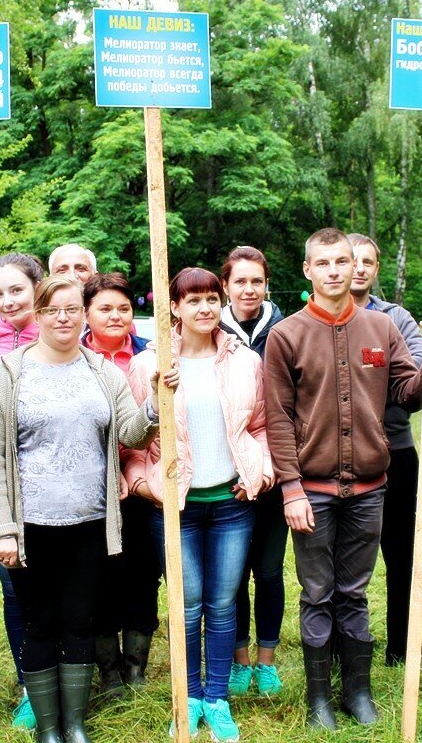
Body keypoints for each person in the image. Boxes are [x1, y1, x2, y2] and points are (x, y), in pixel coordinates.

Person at [263, 228, 422, 731]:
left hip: (370, 489)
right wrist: (291, 489)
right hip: (312, 492)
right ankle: (319, 700)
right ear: (307, 270)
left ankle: (358, 692)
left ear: (355, 267)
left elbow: (409, 394)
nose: (334, 271)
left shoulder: (381, 328)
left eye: (342, 261)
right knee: (317, 593)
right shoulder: (287, 336)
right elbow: (278, 419)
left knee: (354, 592)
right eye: (323, 263)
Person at [0, 274, 161, 743]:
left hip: (90, 524)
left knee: (80, 619)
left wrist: (156, 404)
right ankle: (48, 726)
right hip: (29, 525)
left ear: (83, 315)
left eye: (72, 309)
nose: (63, 318)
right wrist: (0, 528)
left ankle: (74, 723)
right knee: (39, 622)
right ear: (38, 314)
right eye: (52, 310)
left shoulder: (102, 371)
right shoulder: (9, 374)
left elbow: (130, 433)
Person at [126, 267, 273, 742]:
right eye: (193, 300)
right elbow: (131, 442)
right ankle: (188, 698)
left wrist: (260, 473)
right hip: (177, 509)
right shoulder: (148, 365)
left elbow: (261, 427)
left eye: (212, 298)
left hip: (232, 504)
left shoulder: (245, 361)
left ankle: (218, 698)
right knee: (187, 605)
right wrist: (144, 486)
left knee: (223, 603)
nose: (205, 308)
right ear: (174, 307)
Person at [347, 232, 422, 668]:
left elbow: (412, 380)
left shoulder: (396, 318)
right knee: (344, 562)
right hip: (343, 455)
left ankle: (405, 644)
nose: (359, 268)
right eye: (351, 259)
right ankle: (346, 646)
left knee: (402, 555)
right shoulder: (318, 319)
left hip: (396, 451)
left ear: (376, 269)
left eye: (367, 261)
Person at [81, 273, 159, 697]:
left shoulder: (150, 355)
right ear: (86, 313)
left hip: (144, 485)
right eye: (105, 308)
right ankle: (108, 672)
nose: (115, 316)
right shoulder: (73, 358)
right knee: (99, 577)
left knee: (143, 574)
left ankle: (136, 669)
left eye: (123, 308)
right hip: (93, 487)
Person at [0, 252, 44, 730]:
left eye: (16, 290)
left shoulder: (56, 331)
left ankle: (63, 676)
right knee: (14, 585)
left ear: (38, 288)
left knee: (52, 584)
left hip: (46, 475)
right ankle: (28, 685)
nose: (7, 301)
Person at [217, 246, 288, 698]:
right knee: (234, 575)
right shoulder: (210, 331)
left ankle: (267, 662)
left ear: (266, 285)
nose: (248, 289)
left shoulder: (285, 330)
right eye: (239, 281)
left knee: (270, 571)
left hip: (273, 473)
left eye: (256, 281)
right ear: (225, 285)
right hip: (228, 479)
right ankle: (239, 661)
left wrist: (269, 470)